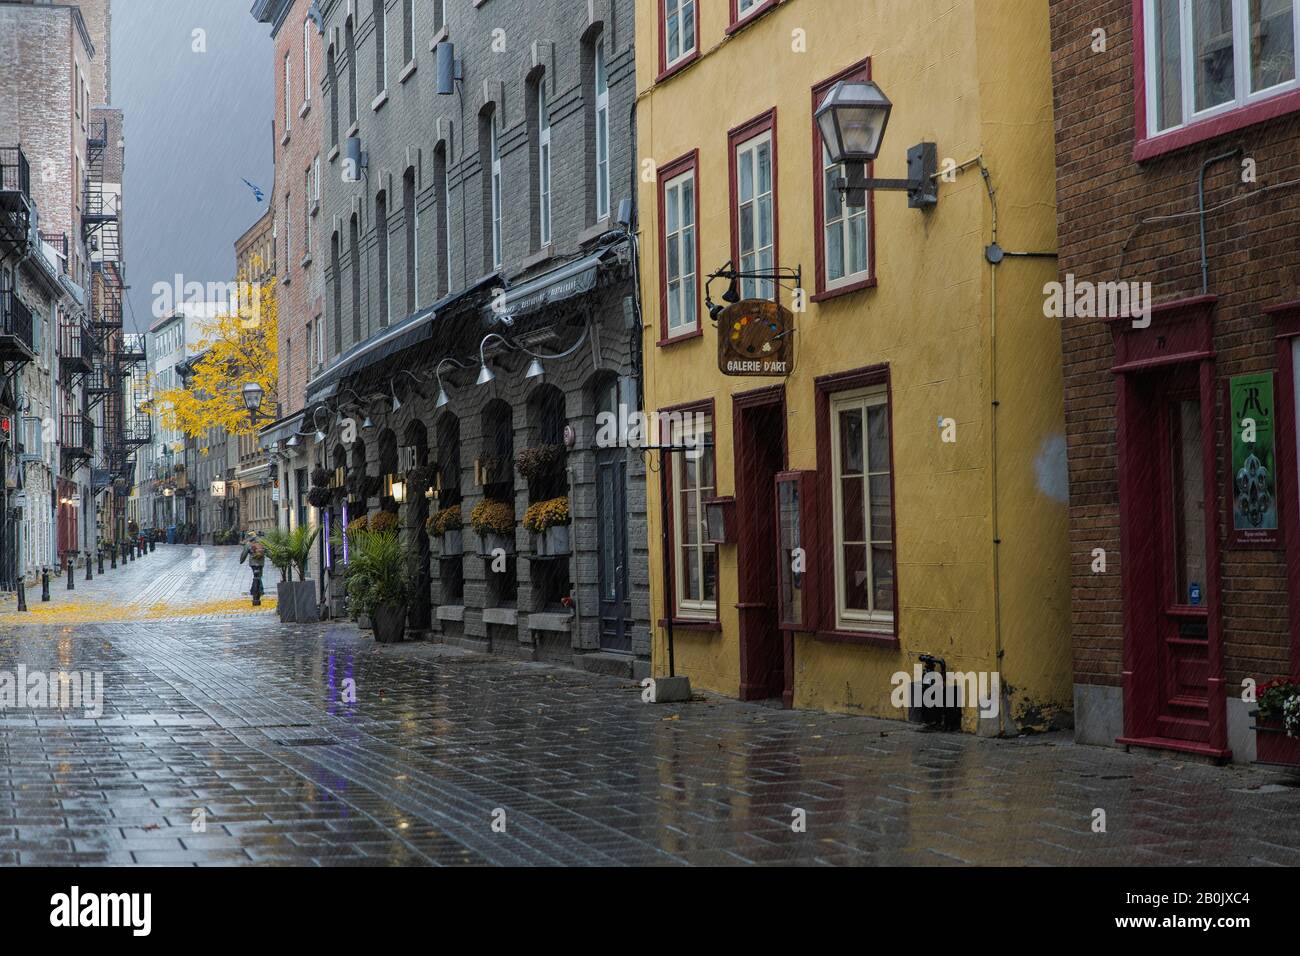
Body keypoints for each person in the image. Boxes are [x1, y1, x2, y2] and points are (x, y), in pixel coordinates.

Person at [239, 531, 266, 603]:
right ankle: (255, 590)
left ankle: (259, 590)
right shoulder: (262, 542)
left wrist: (241, 561)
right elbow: (267, 551)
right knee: (259, 575)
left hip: (253, 563)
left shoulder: (248, 544)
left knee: (256, 576)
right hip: (261, 562)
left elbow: (244, 553)